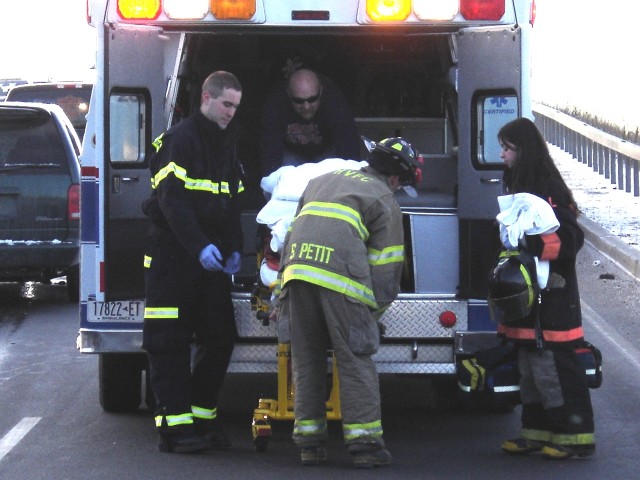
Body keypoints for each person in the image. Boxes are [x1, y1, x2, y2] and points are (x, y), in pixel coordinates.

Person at [275, 137, 420, 468]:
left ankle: (309, 443)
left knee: (307, 359)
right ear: (396, 177)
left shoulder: (321, 180)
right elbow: (386, 269)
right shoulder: (384, 198)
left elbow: (292, 234)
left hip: (297, 274)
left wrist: (281, 293)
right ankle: (365, 445)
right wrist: (371, 314)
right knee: (355, 357)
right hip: (341, 279)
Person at [141, 71, 244, 454]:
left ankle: (201, 419)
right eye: (225, 104)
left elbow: (232, 203)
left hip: (208, 264)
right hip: (172, 260)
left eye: (235, 106)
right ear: (206, 97)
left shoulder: (225, 144)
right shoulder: (180, 140)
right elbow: (172, 202)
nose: (231, 112)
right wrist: (200, 246)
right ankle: (175, 428)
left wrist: (235, 247)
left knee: (220, 337)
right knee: (168, 344)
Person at [495, 117, 595, 459]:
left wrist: (531, 241)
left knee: (554, 369)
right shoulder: (519, 185)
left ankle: (574, 436)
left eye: (507, 148)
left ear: (524, 151)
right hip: (528, 298)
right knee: (531, 370)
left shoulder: (547, 188)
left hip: (552, 296)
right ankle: (536, 432)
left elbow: (569, 240)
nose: (502, 154)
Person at [259, 68, 360, 176]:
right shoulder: (275, 104)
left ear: (321, 91)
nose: (306, 106)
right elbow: (269, 151)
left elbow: (348, 146)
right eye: (299, 101)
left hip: (327, 156)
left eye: (312, 99)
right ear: (289, 94)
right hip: (291, 157)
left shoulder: (335, 101)